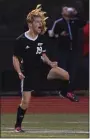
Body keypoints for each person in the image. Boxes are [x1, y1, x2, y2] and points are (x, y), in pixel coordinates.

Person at [13, 4, 69, 132]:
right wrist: (19, 72)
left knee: (63, 74)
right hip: (28, 74)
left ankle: (64, 91)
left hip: (41, 71)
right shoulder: (21, 40)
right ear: (30, 23)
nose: (40, 24)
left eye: (41, 21)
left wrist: (50, 63)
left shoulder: (41, 39)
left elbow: (42, 54)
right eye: (37, 21)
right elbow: (15, 58)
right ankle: (18, 125)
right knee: (25, 102)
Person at [48, 6, 86, 102]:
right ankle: (63, 90)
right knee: (64, 71)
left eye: (68, 9)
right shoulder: (59, 22)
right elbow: (51, 35)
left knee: (72, 71)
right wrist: (59, 35)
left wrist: (76, 13)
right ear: (62, 12)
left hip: (73, 51)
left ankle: (69, 91)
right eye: (65, 9)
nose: (67, 10)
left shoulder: (75, 21)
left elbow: (83, 22)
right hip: (62, 51)